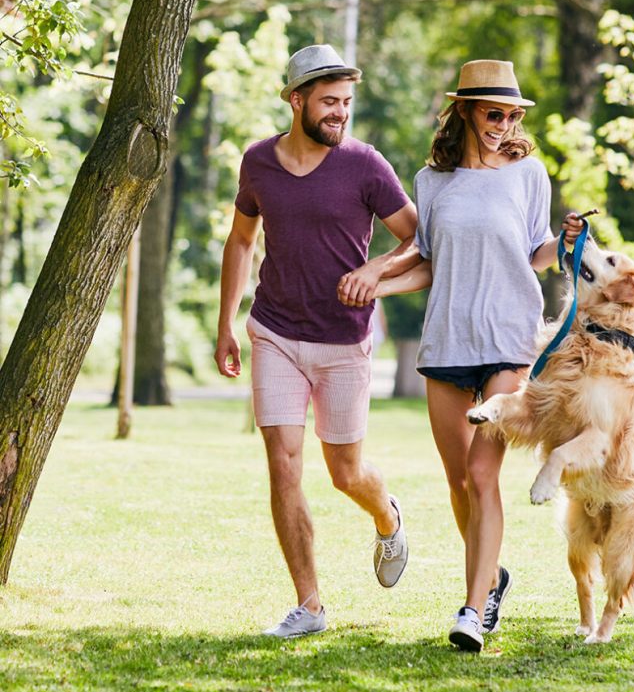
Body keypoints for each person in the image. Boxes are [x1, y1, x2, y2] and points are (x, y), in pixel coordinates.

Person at [342, 59, 583, 651]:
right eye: (493, 113)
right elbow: (426, 262)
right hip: (448, 338)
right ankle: (492, 576)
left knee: (482, 473)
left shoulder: (528, 174)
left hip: (508, 339)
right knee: (457, 479)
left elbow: (534, 252)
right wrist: (378, 282)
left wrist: (568, 241)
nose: (503, 124)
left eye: (511, 115)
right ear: (467, 113)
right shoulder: (432, 181)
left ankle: (473, 610)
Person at [215, 44, 420, 638]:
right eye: (329, 103)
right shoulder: (258, 162)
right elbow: (239, 240)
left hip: (343, 339)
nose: (340, 114)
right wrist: (226, 322)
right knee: (283, 466)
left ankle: (387, 516)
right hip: (274, 330)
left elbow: (415, 239)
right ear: (296, 100)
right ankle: (309, 604)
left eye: (347, 104)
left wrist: (375, 271)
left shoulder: (365, 166)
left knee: (346, 472)